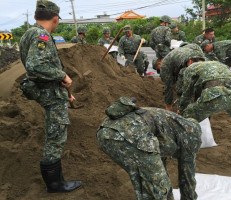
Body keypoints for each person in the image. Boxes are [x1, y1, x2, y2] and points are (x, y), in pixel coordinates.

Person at [19, 0, 82, 193]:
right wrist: (62, 76)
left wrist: (63, 90)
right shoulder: (41, 35)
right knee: (55, 136)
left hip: (49, 91)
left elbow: (37, 66)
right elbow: (35, 66)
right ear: (55, 19)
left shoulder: (28, 34)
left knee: (55, 134)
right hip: (51, 95)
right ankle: (55, 184)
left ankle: (57, 180)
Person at [97, 97, 201, 200]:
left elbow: (159, 164)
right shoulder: (191, 134)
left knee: (149, 180)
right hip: (129, 134)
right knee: (157, 188)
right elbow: (187, 177)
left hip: (105, 133)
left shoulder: (172, 125)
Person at [160, 43, 205, 111]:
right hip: (168, 64)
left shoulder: (202, 59)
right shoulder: (182, 64)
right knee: (169, 85)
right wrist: (180, 108)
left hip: (181, 59)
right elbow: (179, 88)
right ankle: (169, 105)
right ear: (190, 62)